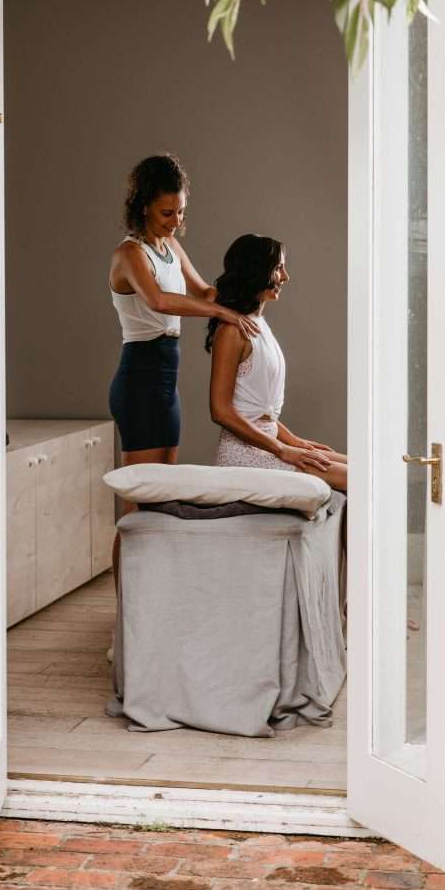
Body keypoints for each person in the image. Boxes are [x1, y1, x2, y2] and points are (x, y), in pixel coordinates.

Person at [108, 156, 259, 591]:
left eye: (181, 211)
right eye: (167, 212)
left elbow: (207, 291)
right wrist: (216, 310)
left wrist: (251, 294)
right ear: (143, 207)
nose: (176, 221)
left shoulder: (169, 248)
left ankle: (150, 605)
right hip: (138, 381)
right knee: (138, 506)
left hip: (164, 385)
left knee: (161, 501)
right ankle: (124, 617)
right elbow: (158, 301)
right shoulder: (129, 254)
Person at [206, 233, 347, 491]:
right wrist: (283, 450)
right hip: (243, 456)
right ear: (256, 271)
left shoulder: (258, 323)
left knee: (365, 467)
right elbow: (221, 411)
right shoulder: (231, 332)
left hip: (268, 445)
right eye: (279, 268)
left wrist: (295, 441)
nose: (285, 277)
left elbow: (260, 412)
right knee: (357, 479)